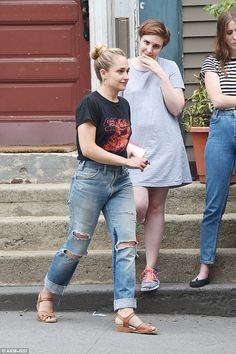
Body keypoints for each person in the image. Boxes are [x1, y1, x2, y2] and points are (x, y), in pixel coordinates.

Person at [36, 43, 157, 334]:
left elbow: (118, 141)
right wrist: (127, 162)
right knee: (77, 246)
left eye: (127, 70)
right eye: (120, 71)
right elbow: (89, 148)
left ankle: (126, 312)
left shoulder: (123, 104)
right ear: (104, 73)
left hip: (120, 182)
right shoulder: (89, 104)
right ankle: (48, 294)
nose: (126, 75)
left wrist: (134, 153)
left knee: (127, 244)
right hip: (91, 180)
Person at [122, 19, 192, 291]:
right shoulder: (125, 66)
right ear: (139, 39)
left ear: (162, 47)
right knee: (138, 204)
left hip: (164, 146)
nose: (149, 50)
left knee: (156, 207)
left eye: (156, 46)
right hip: (133, 148)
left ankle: (150, 269)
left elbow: (176, 107)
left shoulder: (169, 68)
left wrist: (160, 74)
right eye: (146, 43)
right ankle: (129, 244)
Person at [190, 8, 236, 288]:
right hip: (221, 130)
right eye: (229, 32)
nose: (234, 36)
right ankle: (205, 265)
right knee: (213, 202)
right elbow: (217, 100)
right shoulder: (213, 63)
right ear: (221, 34)